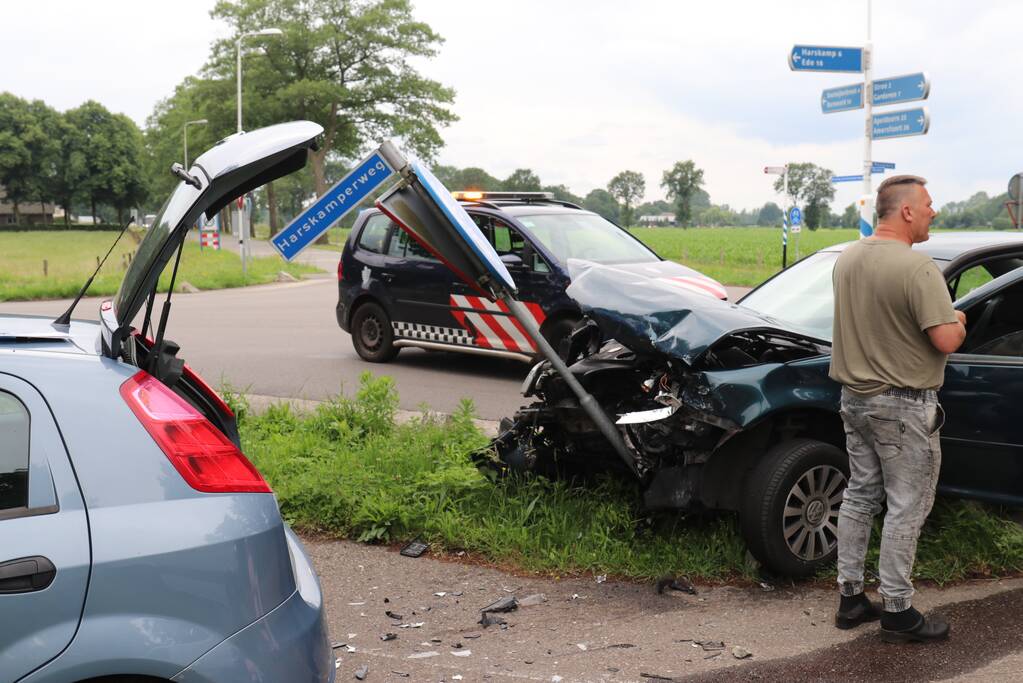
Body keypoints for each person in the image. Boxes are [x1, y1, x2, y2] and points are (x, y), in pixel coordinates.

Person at [829, 174, 966, 643]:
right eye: (928, 204)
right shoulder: (918, 268)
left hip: (854, 398)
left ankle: (850, 599)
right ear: (906, 211)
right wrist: (959, 320)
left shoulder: (848, 258)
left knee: (859, 496)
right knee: (907, 507)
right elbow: (945, 339)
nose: (933, 211)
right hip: (904, 406)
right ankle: (898, 611)